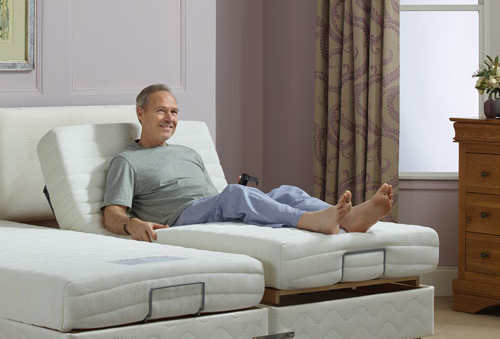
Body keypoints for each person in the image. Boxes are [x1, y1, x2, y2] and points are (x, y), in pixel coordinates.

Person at [102, 83, 393, 242]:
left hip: (208, 207)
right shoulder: (127, 161)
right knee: (235, 194)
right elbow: (112, 213)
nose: (170, 118)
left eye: (175, 112)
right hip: (178, 218)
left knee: (286, 192)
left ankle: (350, 218)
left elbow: (213, 199)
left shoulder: (188, 153)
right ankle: (312, 221)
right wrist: (132, 225)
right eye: (161, 111)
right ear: (140, 113)